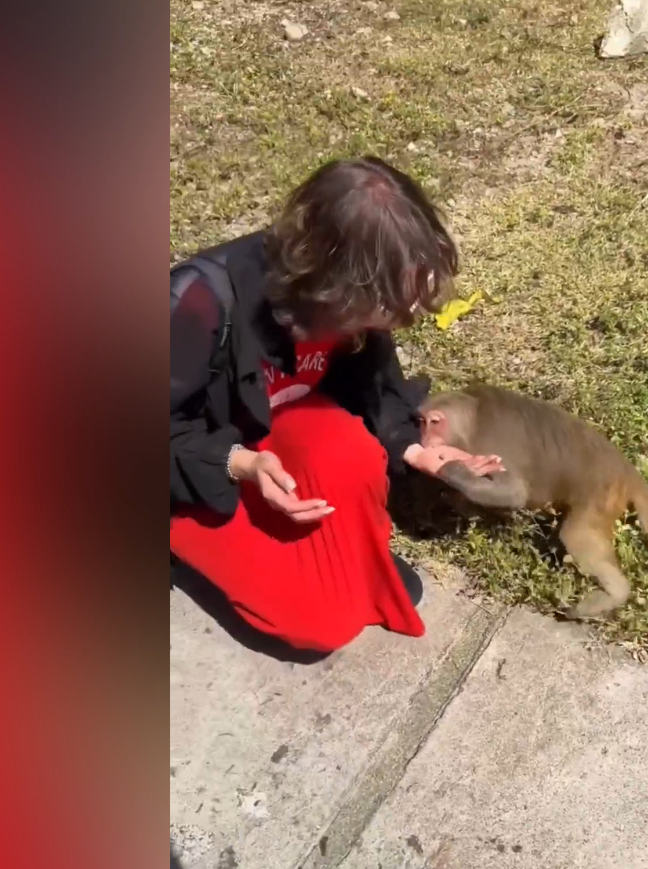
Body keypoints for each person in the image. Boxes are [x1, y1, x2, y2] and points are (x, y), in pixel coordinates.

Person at [169, 157, 499, 653]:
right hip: (193, 468)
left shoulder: (349, 305)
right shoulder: (195, 304)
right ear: (335, 281)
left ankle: (345, 563)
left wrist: (416, 449)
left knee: (354, 454)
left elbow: (371, 387)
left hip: (269, 438)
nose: (402, 314)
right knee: (317, 624)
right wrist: (239, 464)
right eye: (388, 302)